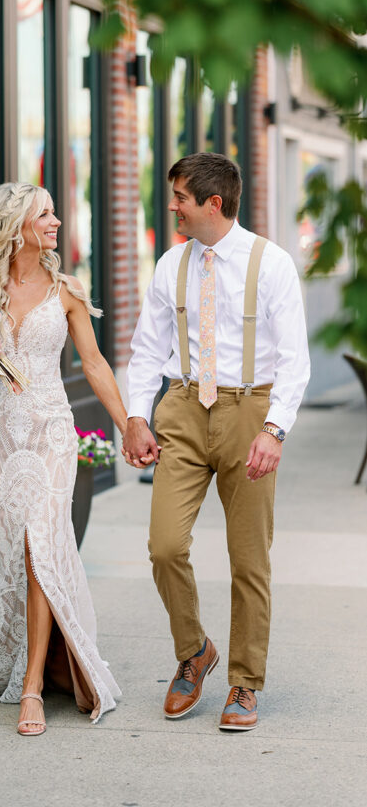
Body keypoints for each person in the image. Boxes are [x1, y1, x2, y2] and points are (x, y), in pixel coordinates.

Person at [0, 181, 134, 734]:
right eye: (45, 214)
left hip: (50, 432)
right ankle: (17, 657)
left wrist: (128, 425)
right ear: (16, 224)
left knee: (40, 543)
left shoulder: (67, 289)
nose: (56, 222)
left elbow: (94, 365)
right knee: (11, 547)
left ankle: (33, 687)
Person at [123, 153, 310, 732]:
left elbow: (293, 358)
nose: (171, 205)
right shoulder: (170, 264)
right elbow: (147, 348)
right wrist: (136, 416)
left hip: (250, 408)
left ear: (213, 204)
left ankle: (245, 684)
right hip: (181, 406)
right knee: (163, 546)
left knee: (248, 559)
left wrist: (275, 428)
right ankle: (194, 650)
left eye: (179, 196)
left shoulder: (271, 264)